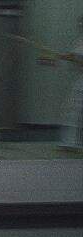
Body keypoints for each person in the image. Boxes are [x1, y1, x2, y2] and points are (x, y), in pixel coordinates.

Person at [58, 16, 83, 151]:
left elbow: (79, 60)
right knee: (73, 110)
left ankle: (72, 142)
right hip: (80, 79)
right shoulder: (80, 41)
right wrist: (67, 57)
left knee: (75, 109)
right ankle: (71, 142)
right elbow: (75, 57)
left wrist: (72, 58)